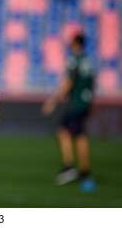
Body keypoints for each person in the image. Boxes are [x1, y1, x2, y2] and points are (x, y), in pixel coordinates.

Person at [42, 32, 96, 192]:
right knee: (72, 133)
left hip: (76, 105)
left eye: (72, 43)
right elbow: (91, 85)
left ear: (77, 44)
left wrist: (53, 101)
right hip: (84, 103)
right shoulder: (88, 62)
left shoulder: (75, 61)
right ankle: (76, 169)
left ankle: (76, 169)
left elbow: (68, 83)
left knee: (72, 133)